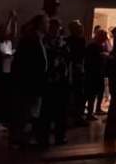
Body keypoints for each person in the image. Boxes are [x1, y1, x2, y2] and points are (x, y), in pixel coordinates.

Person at [9, 14, 47, 148]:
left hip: (32, 81)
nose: (47, 25)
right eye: (46, 23)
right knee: (25, 111)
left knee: (29, 112)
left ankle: (23, 138)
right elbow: (25, 63)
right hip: (29, 82)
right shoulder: (31, 39)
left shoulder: (37, 39)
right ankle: (19, 138)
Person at [36, 18, 70, 147]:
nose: (55, 30)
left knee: (61, 111)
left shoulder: (62, 42)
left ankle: (59, 136)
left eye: (57, 28)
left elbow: (67, 59)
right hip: (48, 80)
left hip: (61, 80)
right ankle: (43, 138)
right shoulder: (44, 41)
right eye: (52, 28)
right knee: (46, 111)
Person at [66, 20, 87, 127]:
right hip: (72, 70)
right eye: (79, 27)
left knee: (79, 95)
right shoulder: (72, 41)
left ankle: (78, 116)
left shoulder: (80, 40)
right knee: (74, 95)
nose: (81, 29)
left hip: (78, 70)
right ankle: (74, 117)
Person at [84, 28, 108, 120]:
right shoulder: (93, 46)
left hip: (98, 72)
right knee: (91, 94)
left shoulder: (98, 45)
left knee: (98, 92)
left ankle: (95, 109)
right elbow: (91, 60)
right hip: (93, 73)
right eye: (104, 36)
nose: (105, 38)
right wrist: (102, 56)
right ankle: (89, 114)